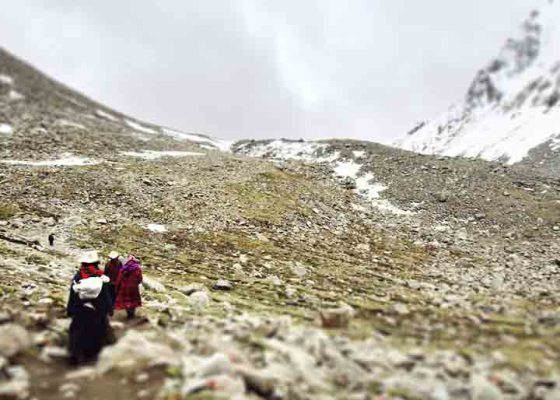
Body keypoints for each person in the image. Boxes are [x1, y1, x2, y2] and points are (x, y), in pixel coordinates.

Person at [66, 250, 113, 365]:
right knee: (97, 330)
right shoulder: (101, 276)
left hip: (80, 308)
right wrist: (109, 308)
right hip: (97, 309)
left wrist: (70, 309)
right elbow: (105, 294)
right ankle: (91, 354)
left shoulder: (78, 276)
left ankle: (75, 354)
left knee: (77, 330)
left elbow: (73, 294)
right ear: (96, 263)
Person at [115, 254, 143, 320]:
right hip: (134, 287)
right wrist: (136, 283)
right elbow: (140, 278)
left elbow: (119, 279)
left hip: (125, 287)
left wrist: (117, 287)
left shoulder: (123, 269)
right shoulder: (137, 268)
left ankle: (128, 313)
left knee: (126, 301)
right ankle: (132, 313)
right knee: (133, 300)